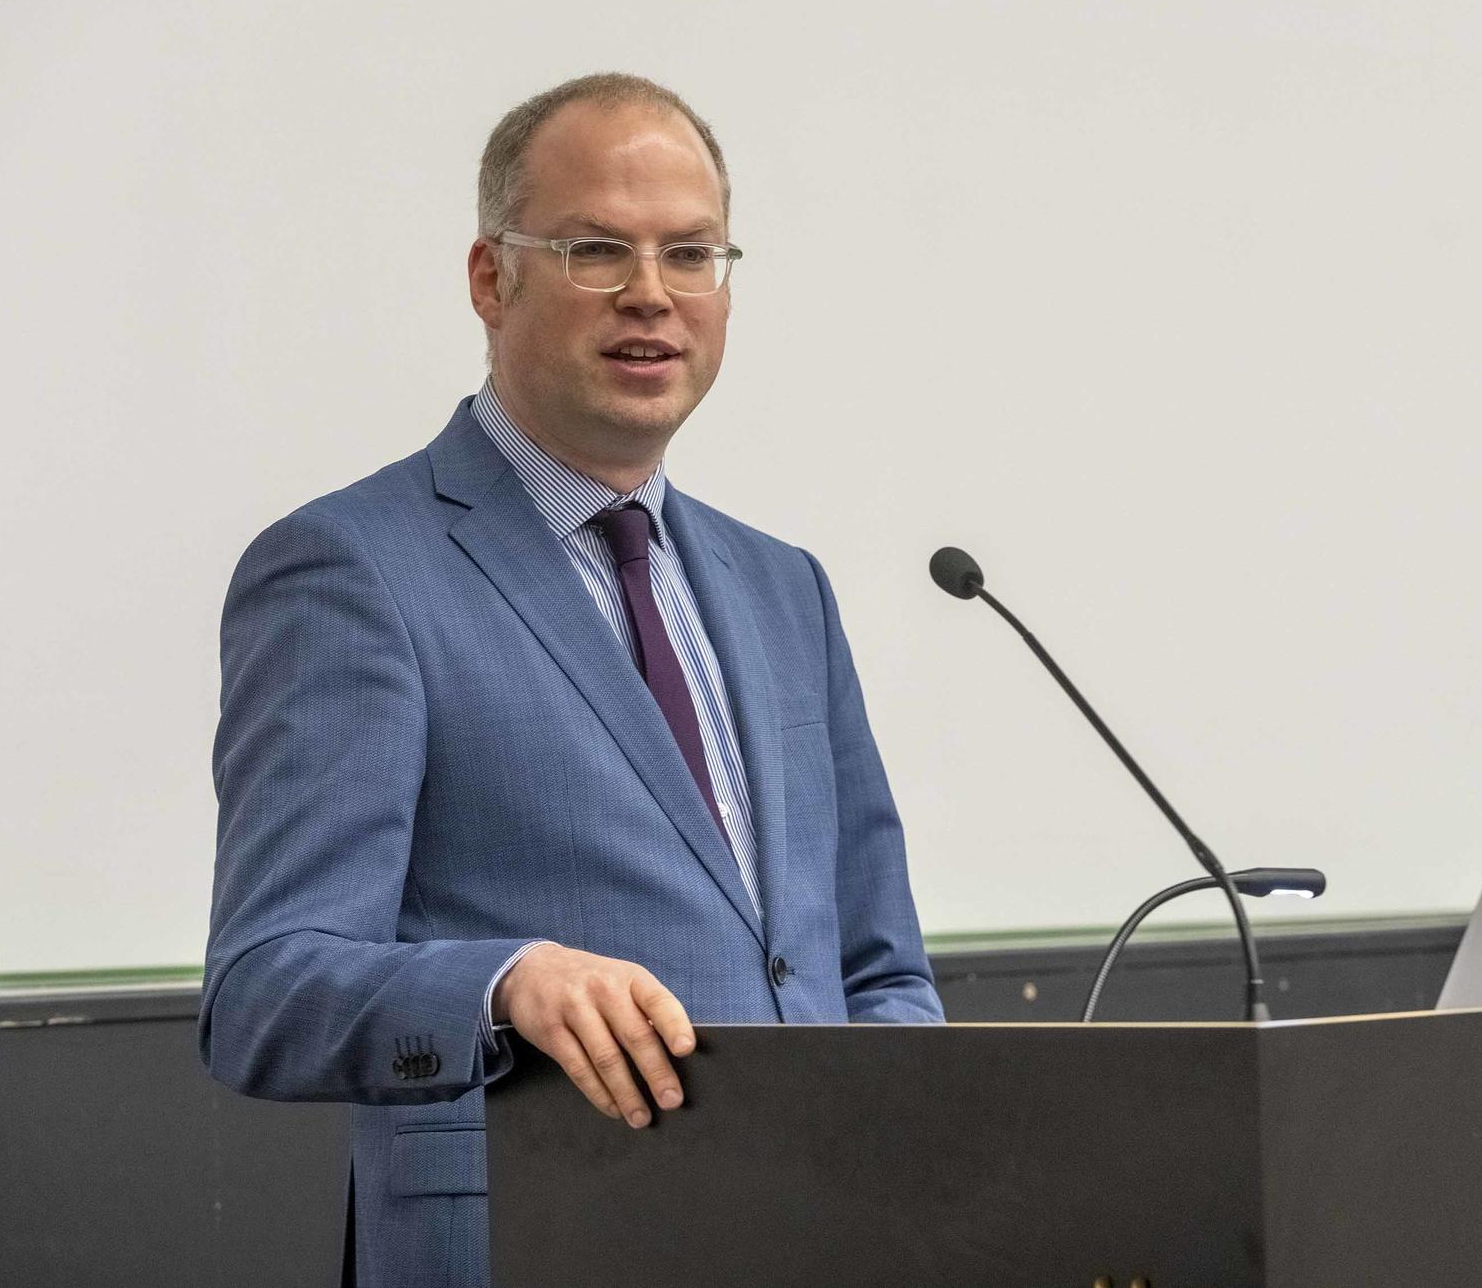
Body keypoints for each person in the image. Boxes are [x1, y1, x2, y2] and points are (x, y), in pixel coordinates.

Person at [200, 72, 942, 1288]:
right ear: (492, 279)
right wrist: (501, 981)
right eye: (597, 248)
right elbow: (263, 992)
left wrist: (903, 1160)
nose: (651, 293)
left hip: (819, 1244)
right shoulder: (351, 570)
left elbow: (878, 970)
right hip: (529, 1245)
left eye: (691, 252)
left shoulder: (782, 589)